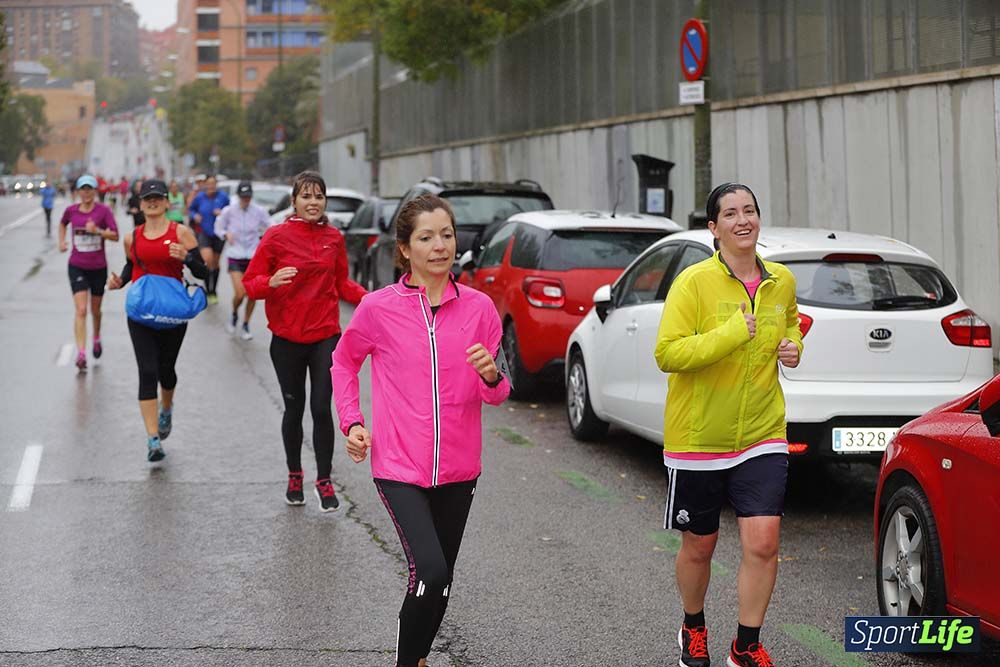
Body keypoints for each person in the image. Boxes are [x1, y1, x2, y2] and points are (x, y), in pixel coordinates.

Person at [332, 194, 510, 667]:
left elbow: (497, 393)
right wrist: (352, 421)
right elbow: (343, 363)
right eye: (426, 237)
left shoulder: (480, 309)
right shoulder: (378, 308)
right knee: (429, 570)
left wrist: (491, 374)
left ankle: (419, 655)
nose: (439, 246)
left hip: (458, 468)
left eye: (447, 235)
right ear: (405, 249)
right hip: (398, 466)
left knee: (442, 578)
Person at [655, 183, 803, 667]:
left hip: (762, 432)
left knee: (763, 542)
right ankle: (692, 627)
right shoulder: (693, 283)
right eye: (731, 214)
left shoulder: (781, 280)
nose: (744, 220)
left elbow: (792, 324)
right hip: (700, 439)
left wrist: (794, 347)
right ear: (713, 228)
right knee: (700, 545)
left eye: (751, 211)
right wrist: (731, 333)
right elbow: (668, 353)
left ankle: (746, 643)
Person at [243, 171, 366, 511]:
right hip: (286, 339)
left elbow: (342, 284)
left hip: (325, 336)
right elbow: (250, 284)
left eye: (319, 197)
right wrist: (272, 281)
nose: (313, 202)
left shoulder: (334, 238)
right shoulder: (276, 236)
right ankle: (294, 474)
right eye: (307, 196)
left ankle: (324, 481)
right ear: (294, 201)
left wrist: (373, 300)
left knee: (321, 407)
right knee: (294, 409)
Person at [107, 179, 208, 462]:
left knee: (167, 371)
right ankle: (153, 439)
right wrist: (120, 281)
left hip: (172, 314)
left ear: (166, 202)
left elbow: (203, 273)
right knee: (147, 372)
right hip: (141, 313)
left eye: (157, 198)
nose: (152, 202)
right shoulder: (132, 238)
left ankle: (167, 408)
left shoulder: (182, 233)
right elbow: (133, 265)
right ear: (140, 204)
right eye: (147, 198)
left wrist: (187, 257)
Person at [58, 174, 120, 370]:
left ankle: (96, 336)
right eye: (82, 189)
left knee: (95, 310)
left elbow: (116, 235)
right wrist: (61, 241)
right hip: (77, 265)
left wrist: (98, 232)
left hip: (98, 268)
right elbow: (62, 223)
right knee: (81, 310)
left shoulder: (103, 211)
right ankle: (81, 353)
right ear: (77, 191)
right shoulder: (71, 211)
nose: (86, 192)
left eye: (89, 189)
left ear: (95, 191)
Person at [215, 181, 270, 340]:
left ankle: (246, 323)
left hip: (253, 256)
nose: (246, 199)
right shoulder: (229, 211)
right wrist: (225, 234)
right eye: (243, 197)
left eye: (248, 197)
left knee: (252, 294)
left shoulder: (259, 211)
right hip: (235, 255)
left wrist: (266, 236)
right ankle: (234, 314)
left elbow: (271, 225)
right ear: (238, 196)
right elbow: (218, 227)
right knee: (240, 293)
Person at [188, 175, 230, 304]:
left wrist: (222, 212)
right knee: (207, 260)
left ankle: (213, 290)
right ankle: (207, 289)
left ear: (216, 185)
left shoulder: (223, 197)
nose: (211, 186)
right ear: (205, 185)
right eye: (209, 184)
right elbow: (191, 209)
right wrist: (195, 216)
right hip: (204, 232)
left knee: (215, 263)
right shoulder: (200, 197)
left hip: (218, 233)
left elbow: (231, 212)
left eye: (213, 184)